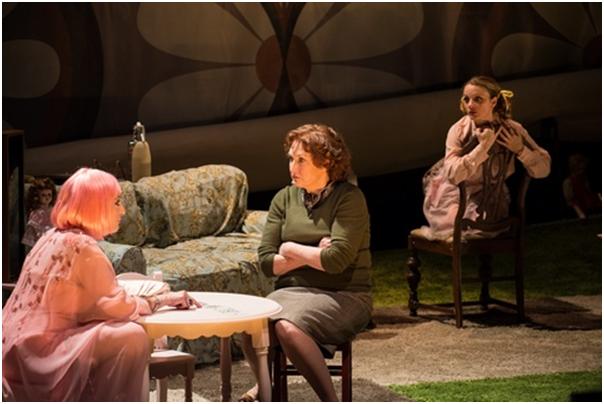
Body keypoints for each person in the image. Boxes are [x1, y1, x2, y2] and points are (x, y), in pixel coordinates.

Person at [2, 168, 200, 401]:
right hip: (41, 353)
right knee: (131, 335)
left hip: (17, 346)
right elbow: (116, 307)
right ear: (95, 205)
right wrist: (161, 300)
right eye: (116, 202)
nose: (122, 210)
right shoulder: (82, 247)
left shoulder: (51, 237)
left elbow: (91, 302)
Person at [240, 124, 372, 401]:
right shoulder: (284, 199)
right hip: (291, 291)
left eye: (301, 159)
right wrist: (312, 253)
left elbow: (336, 261)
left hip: (345, 295)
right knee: (252, 325)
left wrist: (289, 249)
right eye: (291, 158)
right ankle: (266, 389)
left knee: (287, 326)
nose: (292, 166)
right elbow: (266, 261)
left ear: (325, 161)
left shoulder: (349, 199)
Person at [418, 76, 551, 240]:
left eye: (478, 100)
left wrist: (520, 149)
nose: (470, 105)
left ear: (493, 102)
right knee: (459, 226)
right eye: (466, 99)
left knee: (488, 224)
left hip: (493, 199)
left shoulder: (511, 129)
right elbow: (452, 175)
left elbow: (544, 169)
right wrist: (482, 148)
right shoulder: (458, 130)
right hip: (455, 198)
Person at [21, 177, 56, 254]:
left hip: (54, 244)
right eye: (43, 195)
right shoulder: (35, 213)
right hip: (40, 246)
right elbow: (31, 234)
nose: (47, 198)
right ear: (37, 197)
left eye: (49, 195)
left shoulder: (55, 210)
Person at [562, 153, 601, 219]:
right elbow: (571, 201)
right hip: (581, 214)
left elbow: (594, 194)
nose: (583, 167)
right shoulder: (568, 182)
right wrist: (580, 213)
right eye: (580, 165)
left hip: (593, 210)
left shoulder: (585, 178)